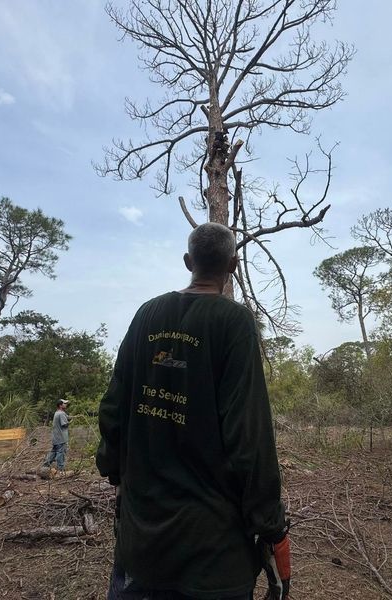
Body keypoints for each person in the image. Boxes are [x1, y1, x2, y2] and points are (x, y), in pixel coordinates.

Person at [97, 222, 291, 600]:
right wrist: (270, 526)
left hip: (141, 548)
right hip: (213, 558)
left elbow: (113, 409)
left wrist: (116, 473)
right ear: (233, 265)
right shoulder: (233, 322)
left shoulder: (146, 315)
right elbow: (248, 436)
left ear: (188, 261)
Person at [43, 399, 70, 472]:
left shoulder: (57, 413)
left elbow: (67, 417)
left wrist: (70, 418)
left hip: (56, 438)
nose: (66, 405)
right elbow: (64, 424)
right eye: (64, 403)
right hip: (61, 438)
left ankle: (45, 466)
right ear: (60, 405)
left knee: (53, 452)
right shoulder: (61, 414)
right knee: (60, 453)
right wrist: (69, 422)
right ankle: (60, 470)